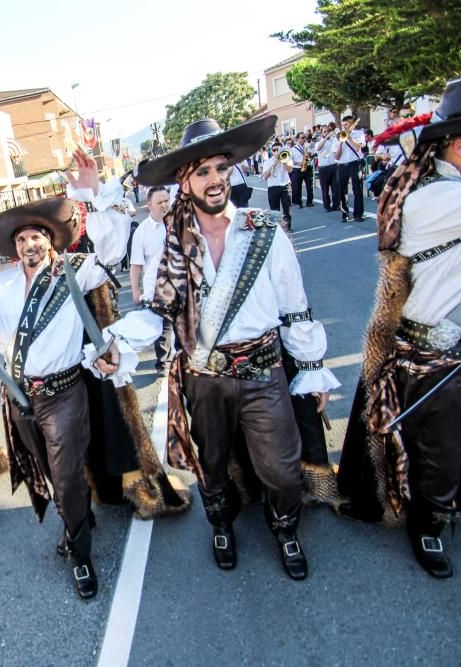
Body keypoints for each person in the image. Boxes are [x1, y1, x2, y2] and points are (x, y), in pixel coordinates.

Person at [99, 117, 341, 580]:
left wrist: (310, 367)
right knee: (210, 464)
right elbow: (157, 311)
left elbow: (295, 305)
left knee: (283, 468)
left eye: (220, 168)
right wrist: (118, 342)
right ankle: (221, 524)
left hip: (263, 370)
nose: (215, 179)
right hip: (203, 377)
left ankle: (285, 526)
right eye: (202, 172)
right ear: (185, 182)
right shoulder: (172, 243)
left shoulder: (264, 230)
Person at [336, 70, 461, 579]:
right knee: (436, 469)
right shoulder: (429, 200)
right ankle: (428, 524)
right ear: (457, 144)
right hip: (442, 362)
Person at [0, 149, 188, 599]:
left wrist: (96, 194)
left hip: (65, 395)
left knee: (63, 475)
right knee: (47, 469)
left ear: (51, 240)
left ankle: (79, 550)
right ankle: (77, 516)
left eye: (37, 236)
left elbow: (112, 252)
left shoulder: (74, 270)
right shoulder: (0, 285)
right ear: (13, 247)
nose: (29, 245)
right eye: (21, 240)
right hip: (20, 399)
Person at [130, 186, 174, 373]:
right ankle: (164, 364)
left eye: (166, 201)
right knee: (162, 329)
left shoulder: (179, 223)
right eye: (160, 202)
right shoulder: (142, 231)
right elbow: (136, 264)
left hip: (181, 285)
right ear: (149, 206)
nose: (164, 205)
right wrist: (135, 290)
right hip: (156, 288)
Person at [334, 115, 366, 222]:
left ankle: (358, 214)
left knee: (357, 189)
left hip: (355, 164)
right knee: (342, 190)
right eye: (342, 125)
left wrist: (349, 138)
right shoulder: (338, 137)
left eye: (346, 125)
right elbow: (337, 156)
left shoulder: (359, 133)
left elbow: (358, 148)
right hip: (342, 165)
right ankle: (345, 214)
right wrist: (340, 142)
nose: (344, 127)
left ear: (351, 124)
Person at [262, 139, 293, 228]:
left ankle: (288, 227)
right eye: (275, 150)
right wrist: (274, 164)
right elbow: (265, 176)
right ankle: (277, 228)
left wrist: (283, 162)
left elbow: (290, 170)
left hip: (285, 186)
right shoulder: (268, 162)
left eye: (278, 149)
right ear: (272, 151)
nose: (276, 151)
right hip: (273, 188)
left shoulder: (286, 158)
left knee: (287, 209)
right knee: (274, 211)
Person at [315, 122, 338, 212]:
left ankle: (336, 205)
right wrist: (325, 138)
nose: (327, 133)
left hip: (334, 166)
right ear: (321, 133)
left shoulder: (333, 139)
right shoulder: (319, 142)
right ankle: (327, 206)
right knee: (325, 189)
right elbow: (318, 148)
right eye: (325, 132)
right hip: (324, 168)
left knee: (335, 188)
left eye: (328, 131)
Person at [290, 133, 315, 208]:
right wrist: (298, 163)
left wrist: (310, 155)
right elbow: (290, 161)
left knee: (309, 186)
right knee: (297, 186)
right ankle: (298, 202)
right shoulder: (292, 149)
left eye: (305, 137)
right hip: (297, 169)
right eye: (302, 137)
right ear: (297, 139)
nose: (304, 139)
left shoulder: (307, 147)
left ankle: (309, 202)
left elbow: (312, 156)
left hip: (308, 167)